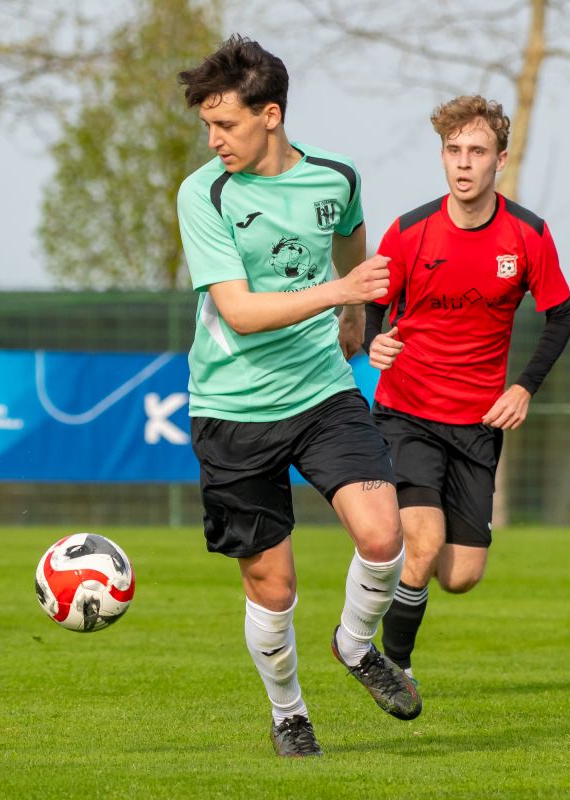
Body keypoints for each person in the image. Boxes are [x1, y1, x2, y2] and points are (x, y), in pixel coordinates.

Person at [176, 35, 421, 759]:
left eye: (226, 124)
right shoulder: (204, 193)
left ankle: (355, 644)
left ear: (271, 115)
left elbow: (353, 239)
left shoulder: (335, 177)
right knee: (274, 587)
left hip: (321, 392)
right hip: (232, 409)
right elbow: (240, 313)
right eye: (208, 126)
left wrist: (353, 315)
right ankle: (289, 714)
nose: (215, 140)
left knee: (384, 536)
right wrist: (341, 294)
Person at [364, 96, 570, 686]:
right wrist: (373, 342)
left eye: (477, 151)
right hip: (406, 411)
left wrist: (524, 387)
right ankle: (393, 665)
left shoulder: (528, 234)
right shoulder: (409, 231)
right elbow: (373, 304)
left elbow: (561, 316)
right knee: (424, 540)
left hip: (478, 424)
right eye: (453, 150)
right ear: (441, 156)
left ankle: (394, 577)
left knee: (460, 575)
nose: (463, 162)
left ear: (499, 160)